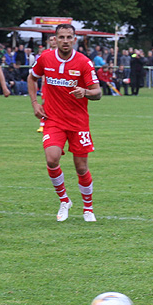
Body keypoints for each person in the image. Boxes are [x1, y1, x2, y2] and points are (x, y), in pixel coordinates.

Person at [26, 23, 102, 222]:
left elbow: (98, 92)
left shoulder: (84, 62)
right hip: (53, 120)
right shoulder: (45, 58)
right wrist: (35, 103)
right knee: (52, 159)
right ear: (55, 39)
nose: (65, 41)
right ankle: (64, 200)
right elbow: (31, 78)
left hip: (78, 123)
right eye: (61, 37)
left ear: (75, 39)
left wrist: (85, 91)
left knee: (81, 168)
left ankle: (88, 208)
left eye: (69, 37)